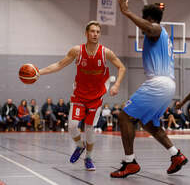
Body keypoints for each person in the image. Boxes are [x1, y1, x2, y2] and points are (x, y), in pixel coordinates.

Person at [110, 0, 188, 178]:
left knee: (124, 117)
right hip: (167, 85)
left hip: (158, 83)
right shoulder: (162, 36)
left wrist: (127, 12)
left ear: (149, 19)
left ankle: (130, 162)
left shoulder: (157, 29)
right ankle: (176, 155)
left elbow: (150, 27)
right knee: (149, 124)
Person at [39, 20, 125, 171]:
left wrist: (117, 84)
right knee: (72, 125)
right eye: (92, 31)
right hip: (79, 96)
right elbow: (59, 64)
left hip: (96, 98)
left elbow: (121, 67)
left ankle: (89, 158)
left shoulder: (105, 52)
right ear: (86, 33)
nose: (95, 34)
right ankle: (80, 146)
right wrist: (39, 72)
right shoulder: (77, 51)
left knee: (90, 129)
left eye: (97, 32)